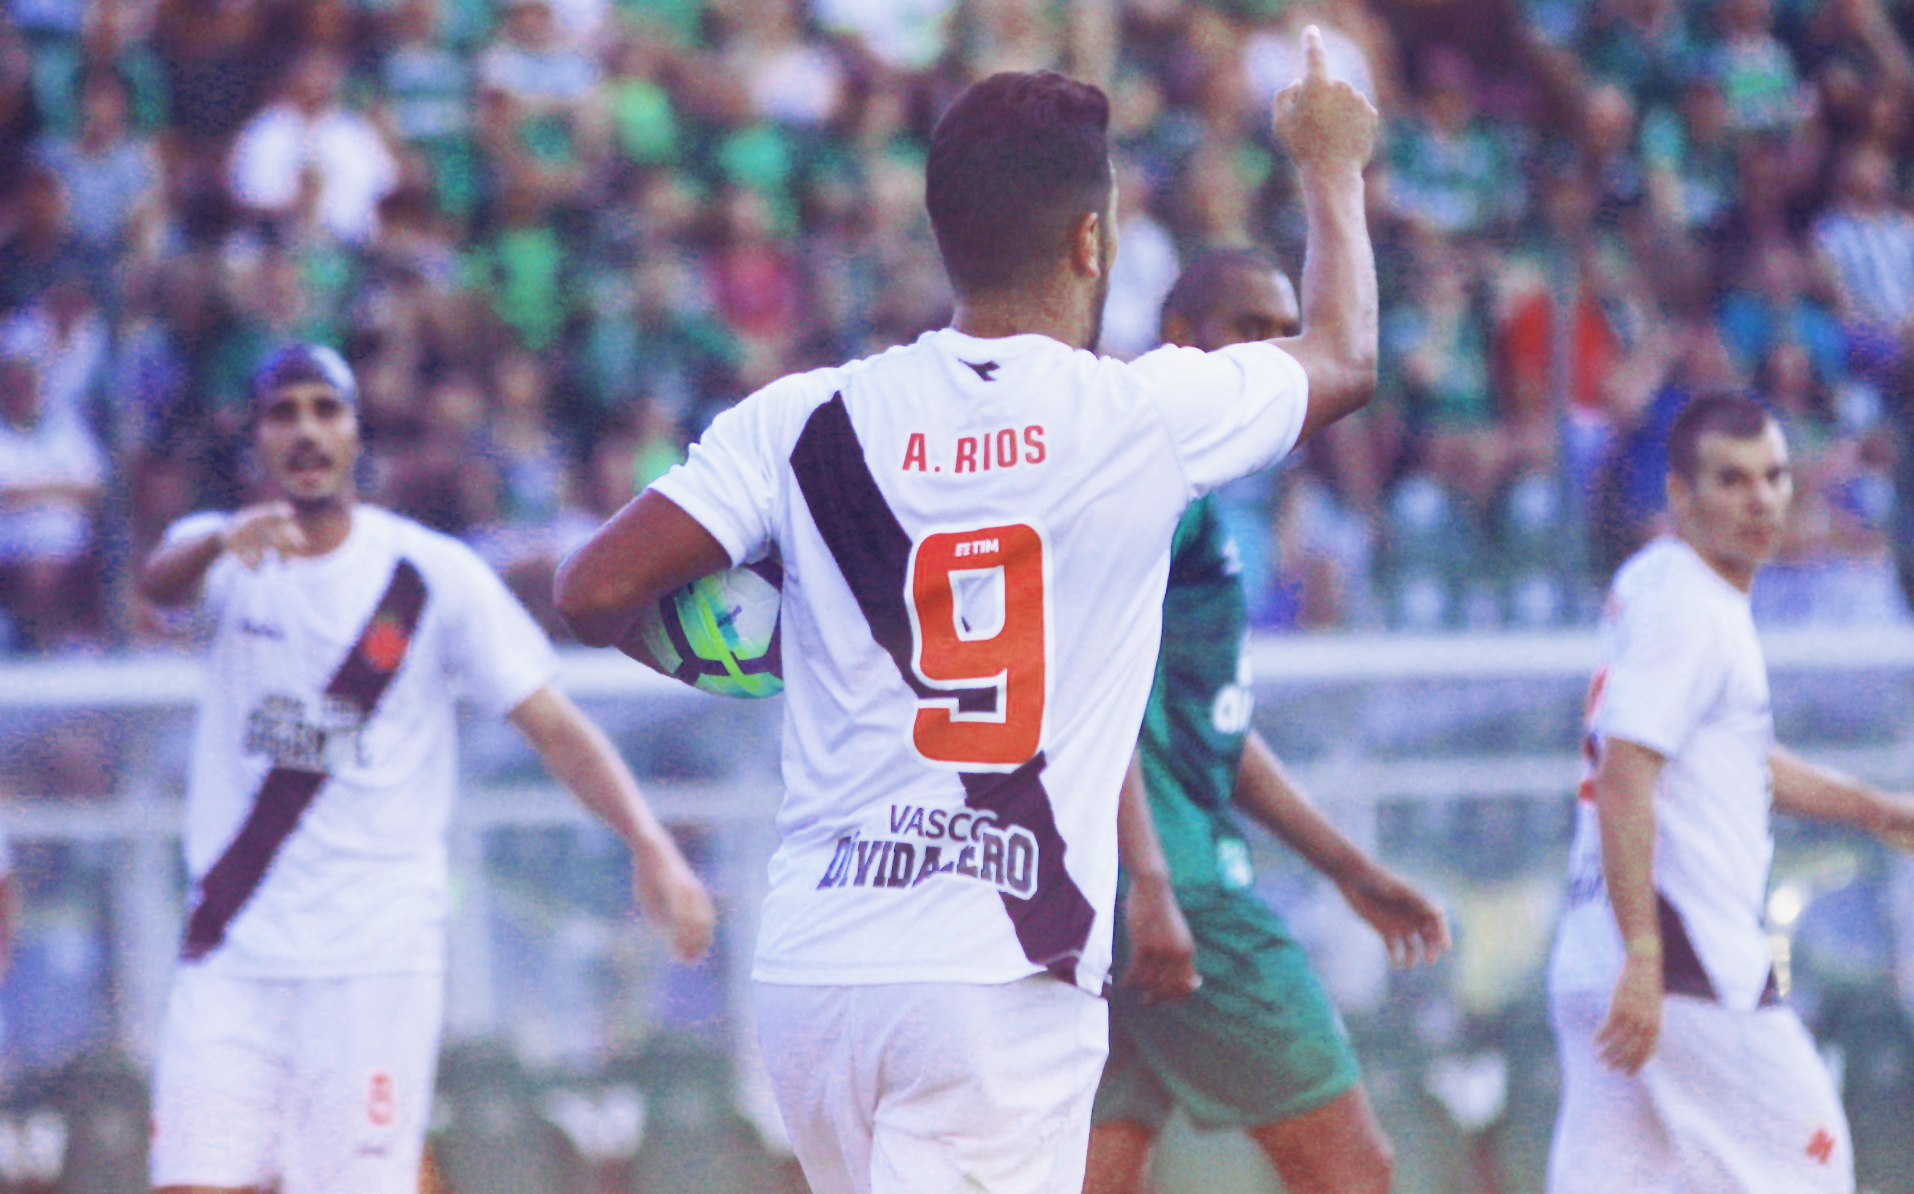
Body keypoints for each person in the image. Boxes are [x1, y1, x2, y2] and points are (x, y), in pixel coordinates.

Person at [555, 29, 1379, 1194]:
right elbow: (1344, 356)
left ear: (945, 236)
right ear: (1090, 241)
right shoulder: (1138, 415)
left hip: (817, 967)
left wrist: (759, 654)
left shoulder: (802, 418)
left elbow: (592, 592)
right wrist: (1332, 165)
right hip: (998, 967)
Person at [136, 343, 715, 1194]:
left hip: (374, 959)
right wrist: (223, 541)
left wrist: (650, 843)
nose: (306, 430)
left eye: (325, 409)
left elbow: (554, 726)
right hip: (231, 950)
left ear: (355, 431)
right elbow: (158, 586)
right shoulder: (218, 553)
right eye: (283, 413)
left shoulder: (432, 576)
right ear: (256, 437)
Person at [1084, 248, 1450, 1194]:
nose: (1274, 354)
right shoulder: (1158, 477)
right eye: (1248, 329)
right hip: (1177, 893)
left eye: (1287, 333)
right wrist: (1153, 882)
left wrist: (1350, 867)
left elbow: (1207, 730)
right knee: (1353, 1170)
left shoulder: (1190, 488)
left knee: (1095, 1175)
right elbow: (1089, 688)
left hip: (1101, 894)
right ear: (1178, 340)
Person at [1546, 391, 1914, 1194]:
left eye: (1774, 476)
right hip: (1682, 966)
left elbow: (1729, 755)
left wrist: (1877, 809)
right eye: (1732, 480)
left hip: (1595, 954)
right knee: (1815, 1172)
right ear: (1680, 494)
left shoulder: (1654, 580)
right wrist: (1647, 955)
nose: (1761, 500)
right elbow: (1624, 776)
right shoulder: (1694, 611)